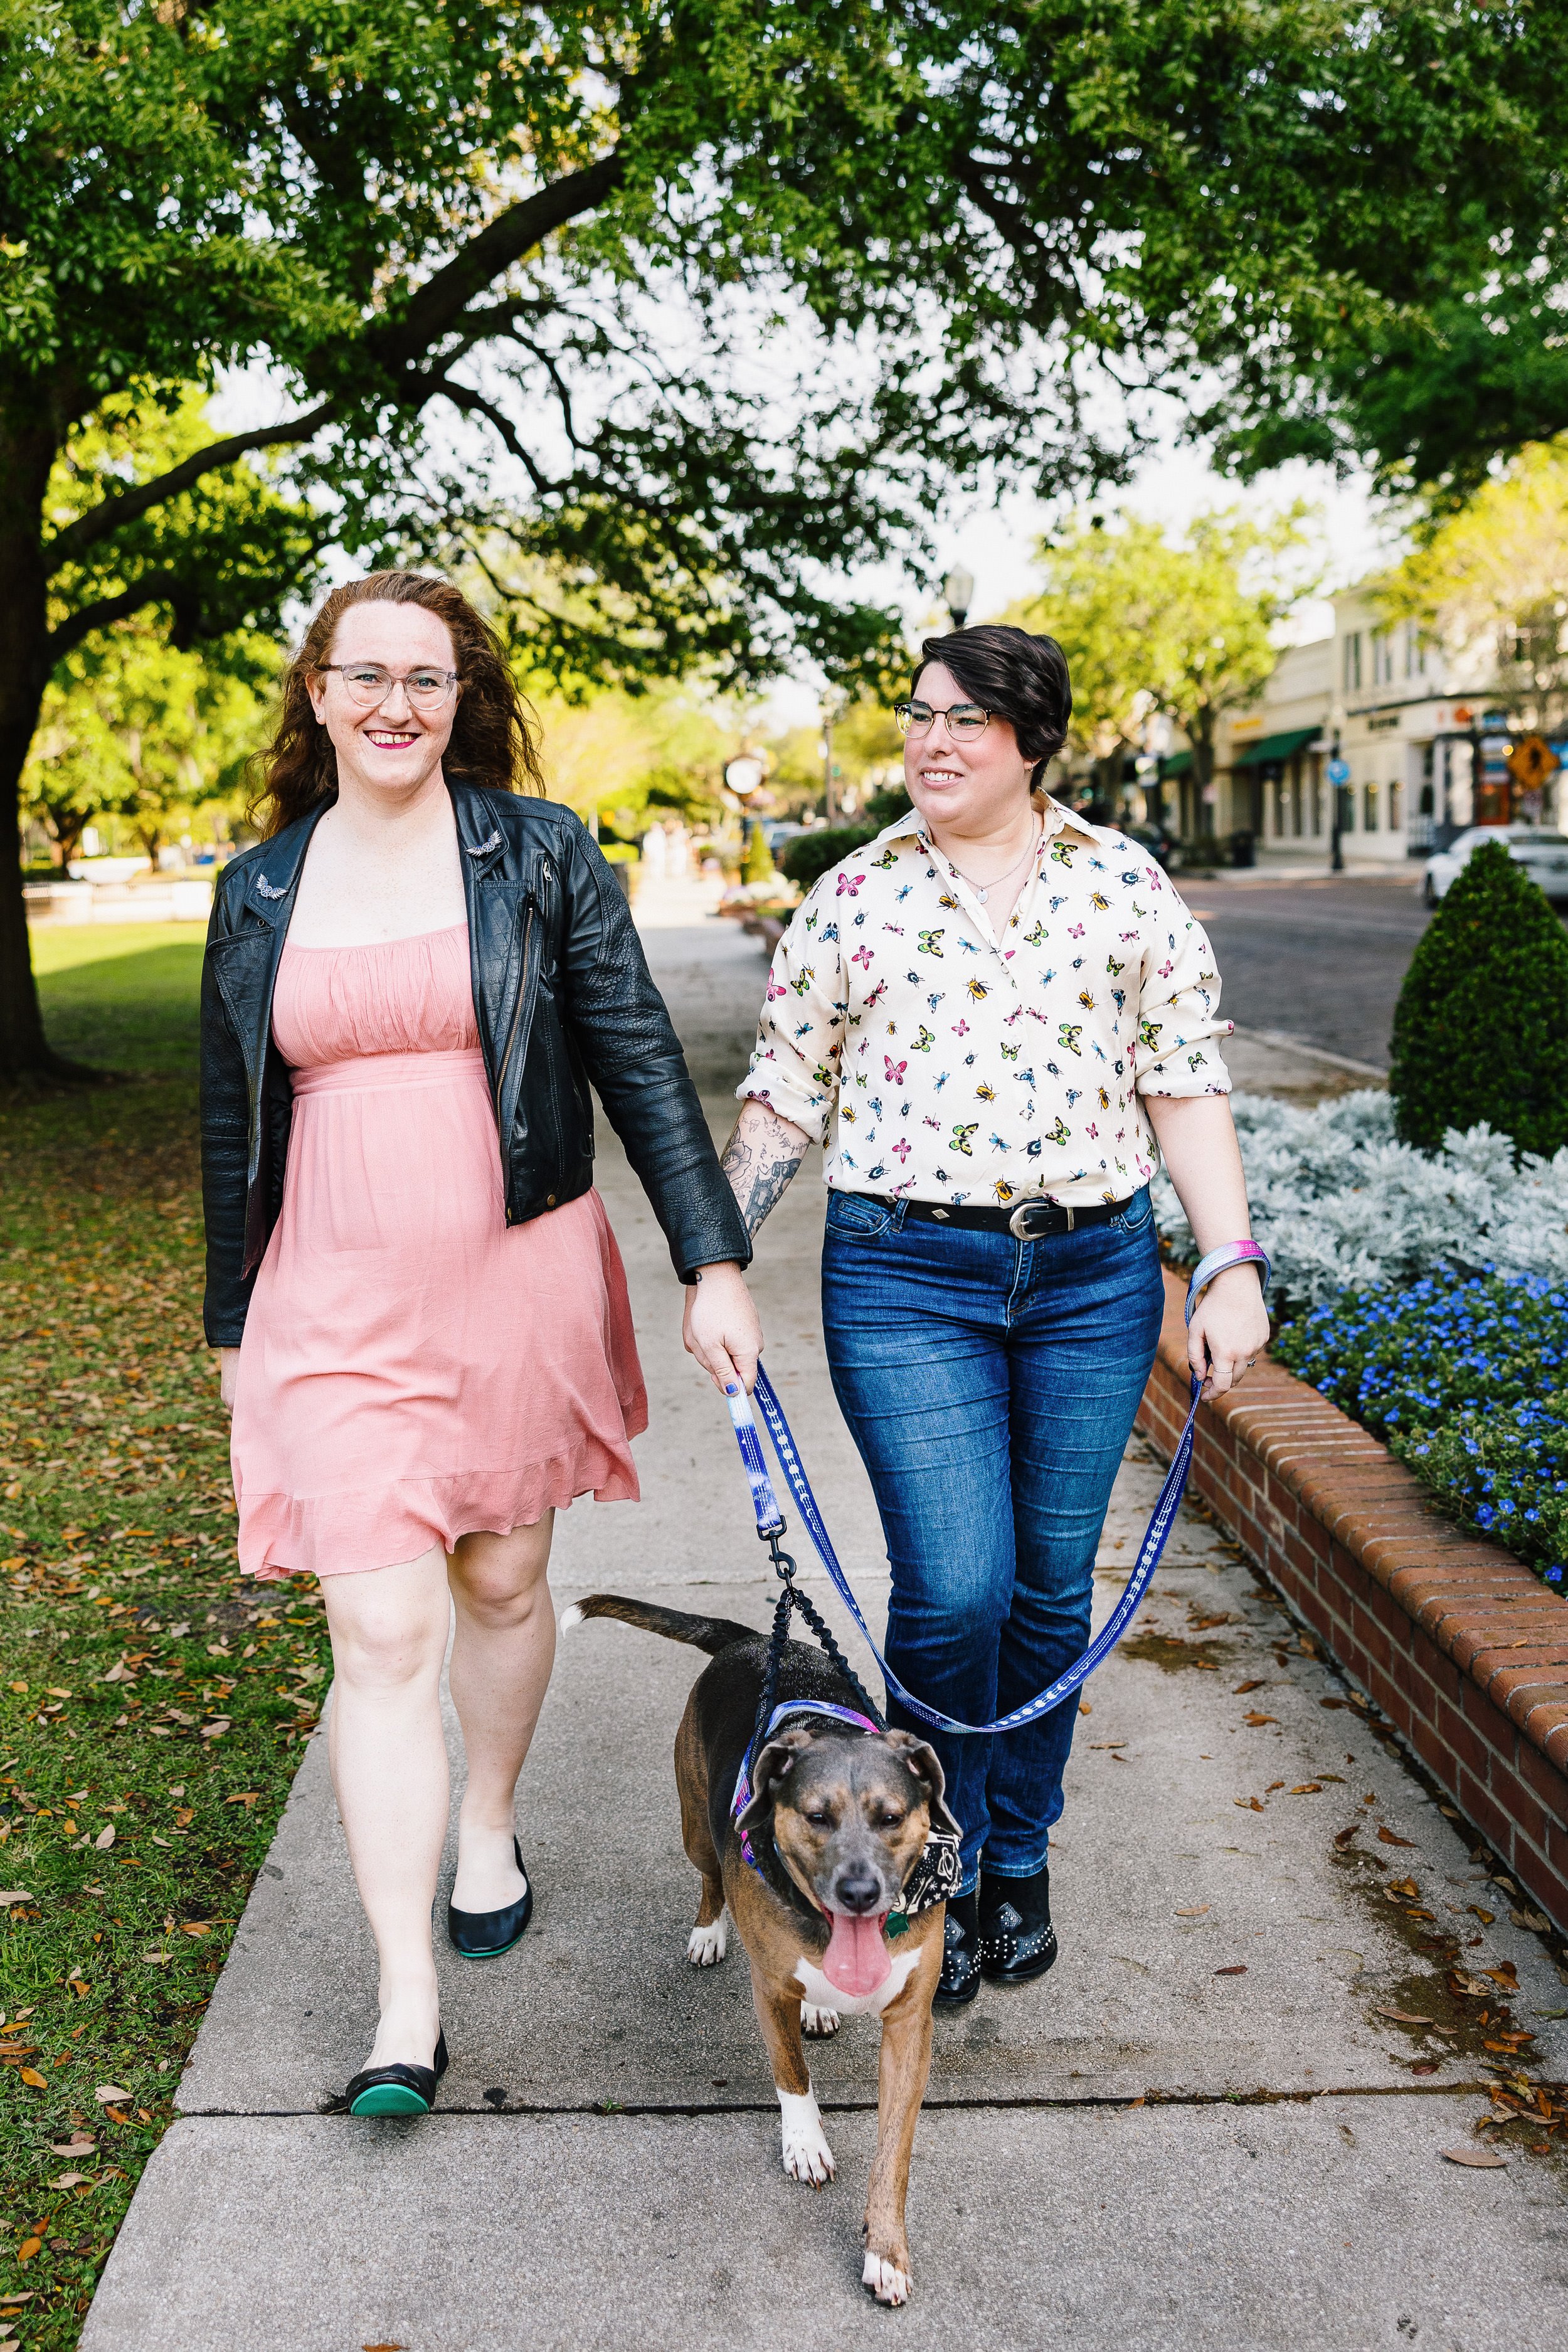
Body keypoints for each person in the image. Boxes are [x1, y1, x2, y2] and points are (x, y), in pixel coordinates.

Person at [201, 571, 762, 2112]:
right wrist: (231, 1321)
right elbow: (228, 1113)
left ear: (464, 701)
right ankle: (403, 2003)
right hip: (328, 1293)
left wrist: (711, 1258)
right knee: (380, 1637)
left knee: (504, 1577)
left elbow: (639, 1055)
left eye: (427, 680)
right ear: (315, 692)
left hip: (513, 1273)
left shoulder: (539, 853)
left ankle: (488, 1819)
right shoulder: (256, 887)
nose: (395, 703)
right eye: (364, 674)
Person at [717, 625, 1269, 2006]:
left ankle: (1011, 1857)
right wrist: (712, 1260)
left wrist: (1225, 1257)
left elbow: (1179, 1079)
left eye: (966, 720)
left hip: (1088, 1277)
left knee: (1040, 1592)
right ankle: (925, 1868)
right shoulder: (853, 897)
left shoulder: (1120, 886)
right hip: (905, 1277)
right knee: (952, 1588)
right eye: (916, 715)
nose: (932, 741)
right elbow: (783, 1091)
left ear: (1032, 742)